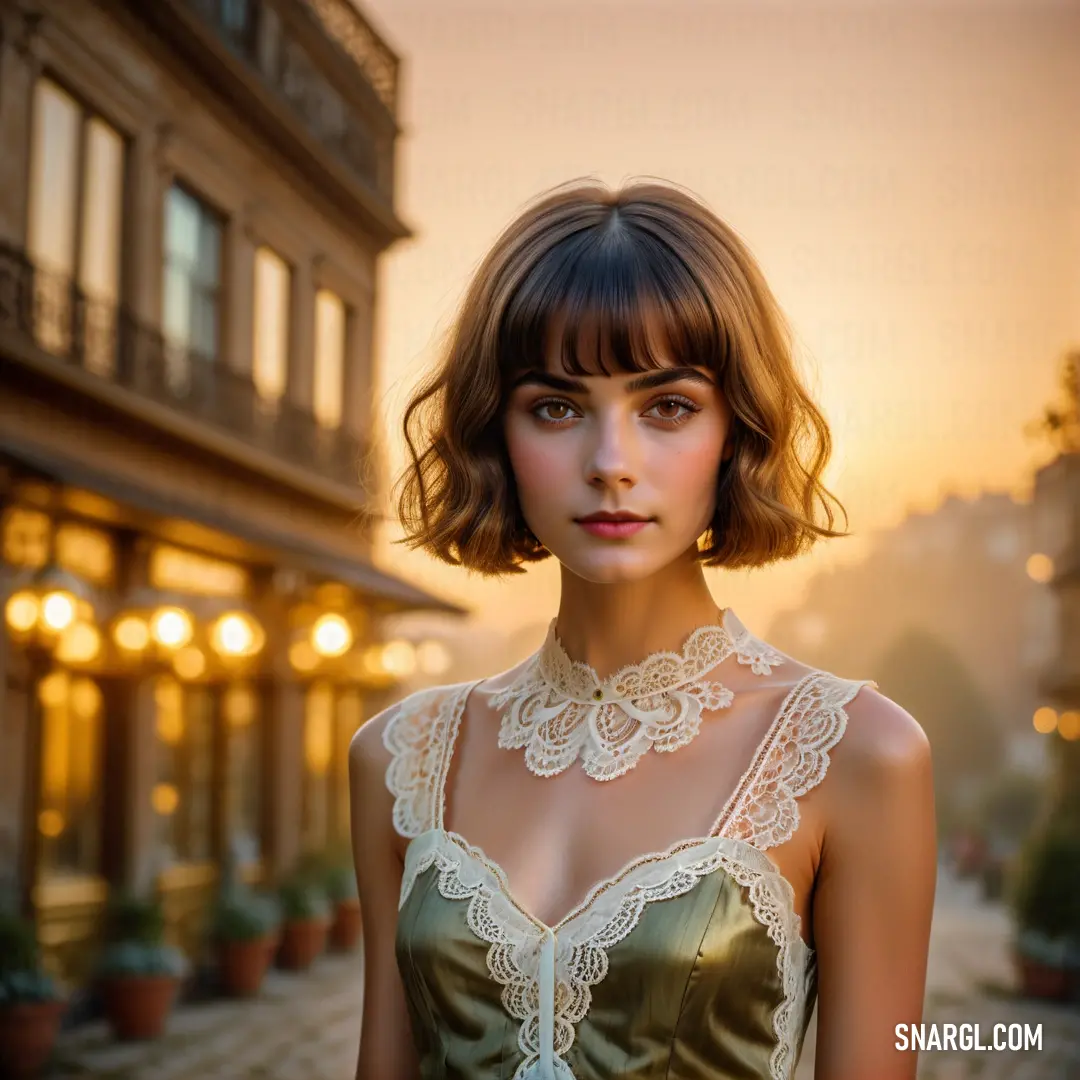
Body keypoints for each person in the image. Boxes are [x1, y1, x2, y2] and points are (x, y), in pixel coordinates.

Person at [349, 179, 937, 1080]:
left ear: (735, 431)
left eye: (667, 406)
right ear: (494, 433)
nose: (611, 464)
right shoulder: (399, 755)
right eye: (556, 406)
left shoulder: (861, 753)